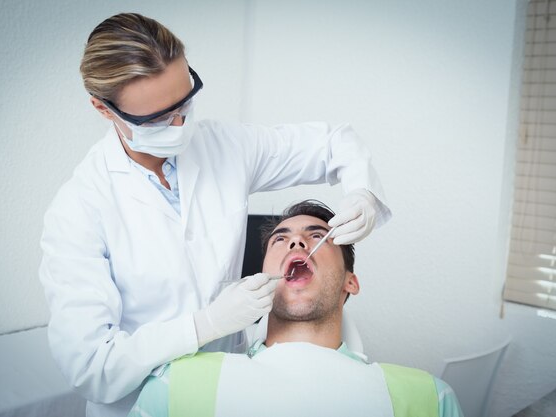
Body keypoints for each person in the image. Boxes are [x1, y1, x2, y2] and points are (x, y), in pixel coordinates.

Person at [39, 12, 391, 417]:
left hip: (229, 393)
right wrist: (204, 325)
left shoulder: (225, 147)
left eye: (185, 101)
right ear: (104, 109)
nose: (179, 123)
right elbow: (90, 367)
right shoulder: (79, 209)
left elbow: (332, 143)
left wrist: (362, 191)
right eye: (155, 118)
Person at [128, 200, 463, 417]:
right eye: (280, 239)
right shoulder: (177, 384)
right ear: (259, 275)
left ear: (351, 282)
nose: (297, 242)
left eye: (319, 236)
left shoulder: (429, 399)